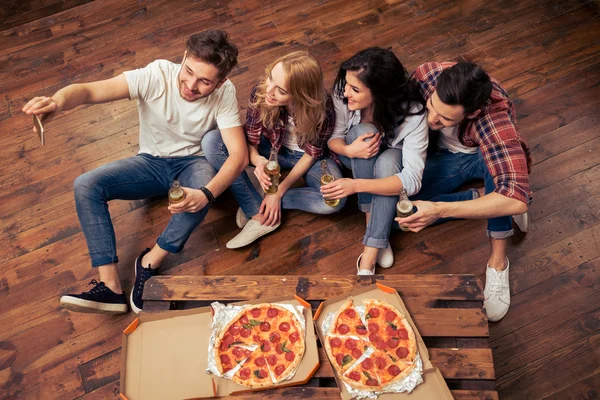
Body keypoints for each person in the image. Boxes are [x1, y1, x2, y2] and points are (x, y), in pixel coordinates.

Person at [22, 30, 248, 314]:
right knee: (86, 185)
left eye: (204, 81)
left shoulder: (226, 92)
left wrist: (206, 194)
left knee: (204, 186)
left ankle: (150, 262)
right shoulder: (156, 75)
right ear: (183, 58)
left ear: (222, 80)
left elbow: (238, 156)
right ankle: (111, 288)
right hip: (151, 163)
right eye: (188, 71)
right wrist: (56, 101)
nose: (190, 85)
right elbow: (90, 91)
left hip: (193, 163)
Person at [396, 62, 531, 322]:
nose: (432, 119)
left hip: (481, 155)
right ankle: (482, 198)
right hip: (444, 154)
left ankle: (498, 262)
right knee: (399, 212)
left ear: (473, 113)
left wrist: (439, 209)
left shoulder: (493, 121)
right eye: (432, 106)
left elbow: (516, 201)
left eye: (445, 117)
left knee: (506, 193)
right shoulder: (427, 76)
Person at [203, 51, 345, 249]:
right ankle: (257, 209)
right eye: (271, 78)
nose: (269, 90)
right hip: (270, 148)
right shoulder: (262, 91)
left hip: (303, 158)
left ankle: (260, 199)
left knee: (335, 200)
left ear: (302, 93)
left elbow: (312, 153)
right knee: (212, 142)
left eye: (280, 90)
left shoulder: (323, 107)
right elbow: (252, 139)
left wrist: (277, 193)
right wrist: (258, 160)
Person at [321, 47, 428, 275]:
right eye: (347, 85)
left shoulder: (414, 114)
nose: (346, 92)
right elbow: (334, 138)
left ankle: (369, 253)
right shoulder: (344, 91)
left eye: (355, 89)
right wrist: (350, 151)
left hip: (388, 166)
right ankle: (374, 225)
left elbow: (412, 179)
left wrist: (355, 186)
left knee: (388, 161)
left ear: (380, 93)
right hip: (354, 157)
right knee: (365, 130)